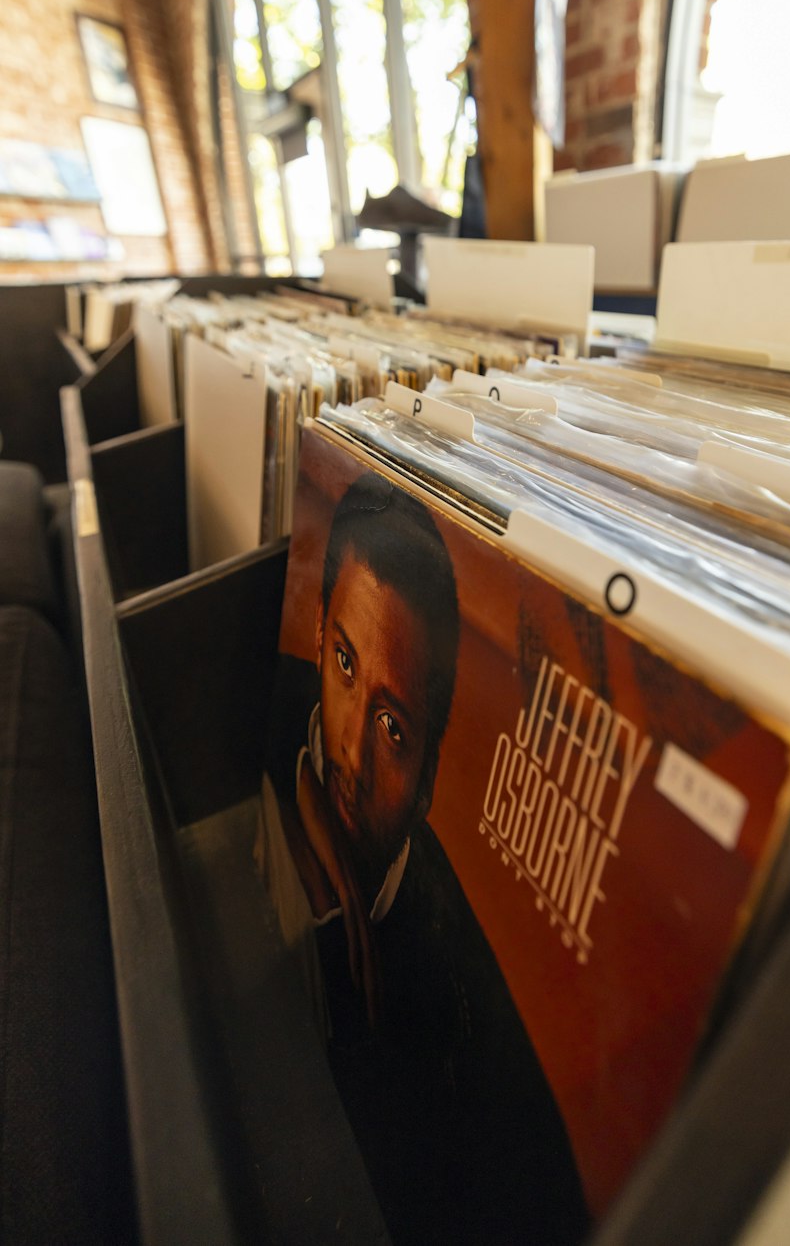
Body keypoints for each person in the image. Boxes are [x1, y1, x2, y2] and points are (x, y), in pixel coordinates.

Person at [258, 471, 589, 1246]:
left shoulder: (473, 1043)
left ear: (432, 776)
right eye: (343, 665)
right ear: (316, 634)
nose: (350, 751)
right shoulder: (269, 705)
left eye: (394, 729)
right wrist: (306, 797)